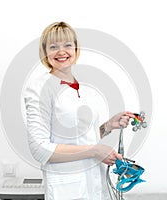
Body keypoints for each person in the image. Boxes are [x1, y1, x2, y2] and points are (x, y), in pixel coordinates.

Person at [24, 22, 135, 200]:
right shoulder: (40, 87)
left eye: (67, 45)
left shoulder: (81, 87)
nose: (62, 51)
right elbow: (40, 149)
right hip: (68, 189)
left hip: (97, 186)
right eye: (54, 46)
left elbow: (78, 137)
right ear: (45, 52)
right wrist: (95, 150)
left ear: (76, 49)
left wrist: (107, 126)